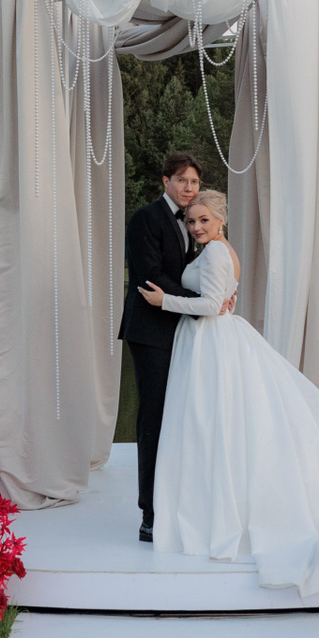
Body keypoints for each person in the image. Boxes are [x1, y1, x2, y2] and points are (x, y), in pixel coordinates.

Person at [139, 189, 319, 597]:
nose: (197, 227)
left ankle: (215, 517)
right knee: (213, 425)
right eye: (192, 221)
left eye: (204, 220)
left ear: (220, 220)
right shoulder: (220, 250)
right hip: (212, 340)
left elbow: (211, 305)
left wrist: (163, 300)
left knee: (208, 424)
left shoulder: (216, 253)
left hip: (210, 342)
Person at [118, 153, 204, 543]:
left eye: (194, 182)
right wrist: (200, 304)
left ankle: (176, 504)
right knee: (153, 418)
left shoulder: (193, 221)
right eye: (182, 180)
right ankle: (149, 514)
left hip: (180, 329)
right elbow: (150, 276)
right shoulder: (145, 218)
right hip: (151, 331)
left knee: (181, 418)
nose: (189, 187)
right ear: (165, 180)